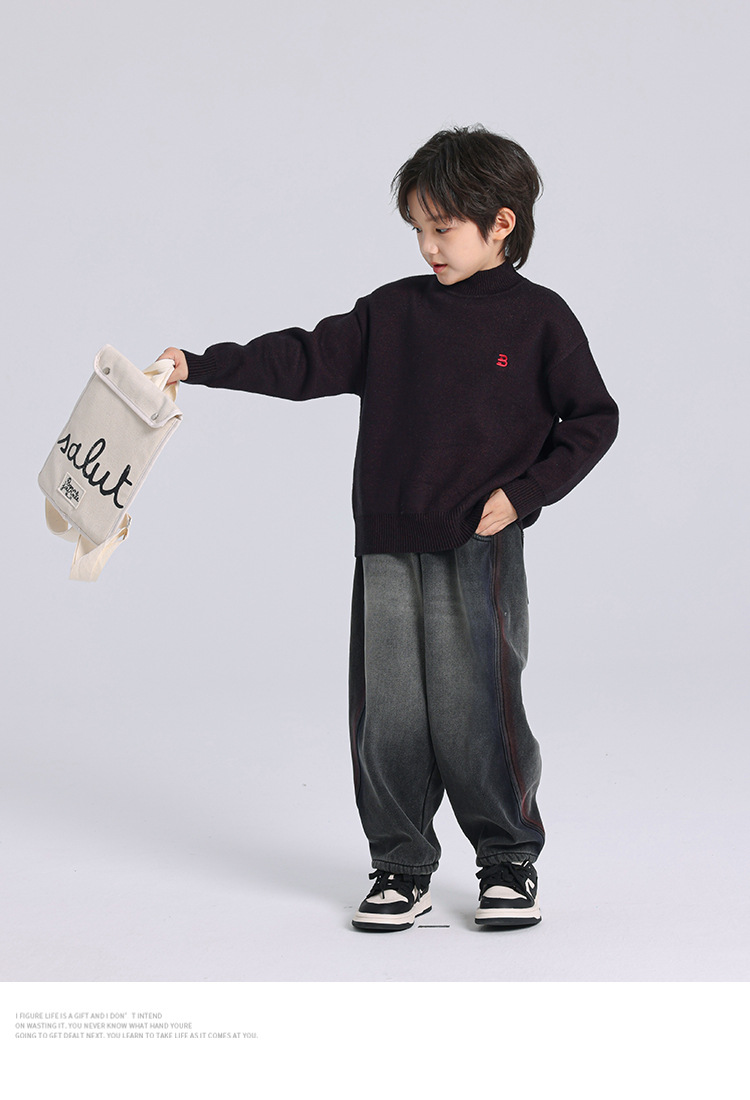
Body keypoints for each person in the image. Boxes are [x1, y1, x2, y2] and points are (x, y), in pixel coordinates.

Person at [158, 125, 618, 933]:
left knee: (478, 706)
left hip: (478, 541)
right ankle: (400, 867)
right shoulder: (392, 313)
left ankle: (507, 859)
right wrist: (201, 364)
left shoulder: (541, 320)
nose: (428, 246)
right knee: (389, 714)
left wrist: (522, 496)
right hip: (387, 540)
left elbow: (592, 421)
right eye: (417, 229)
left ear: (501, 223)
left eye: (442, 228)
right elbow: (302, 359)